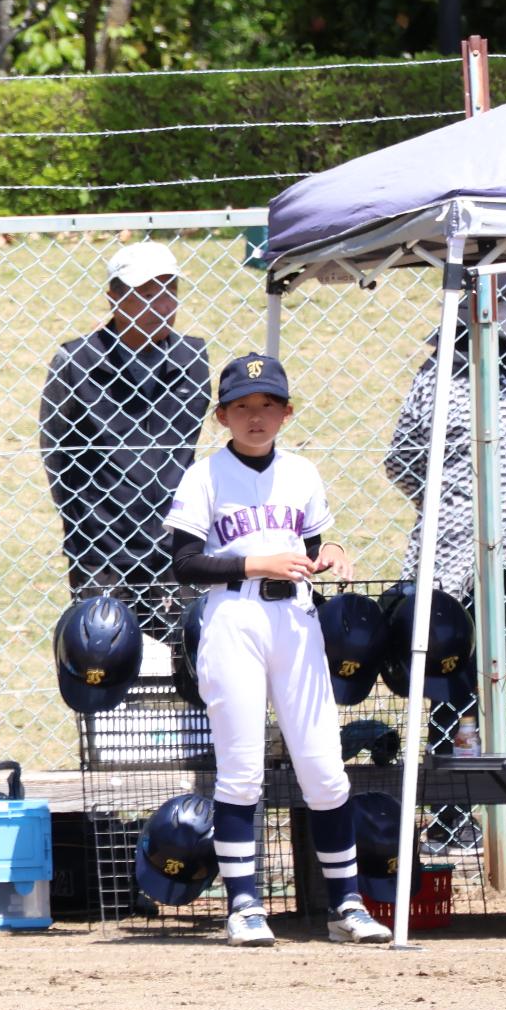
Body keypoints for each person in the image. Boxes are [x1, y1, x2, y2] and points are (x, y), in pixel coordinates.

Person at [163, 353, 390, 947]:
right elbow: (183, 563)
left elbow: (313, 540)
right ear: (222, 416)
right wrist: (254, 561)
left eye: (267, 406)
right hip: (234, 616)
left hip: (296, 618)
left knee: (323, 768)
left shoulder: (302, 473)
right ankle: (243, 904)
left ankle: (347, 903)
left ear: (287, 413)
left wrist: (333, 551)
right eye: (242, 407)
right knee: (240, 771)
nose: (255, 417)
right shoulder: (205, 476)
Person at [383, 271, 506, 766]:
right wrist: (448, 505)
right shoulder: (443, 371)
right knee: (454, 675)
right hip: (458, 555)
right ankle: (455, 813)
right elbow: (403, 459)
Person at [40, 241, 212, 639]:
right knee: (104, 656)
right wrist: (89, 521)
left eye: (170, 291)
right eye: (147, 294)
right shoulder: (76, 362)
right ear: (113, 299)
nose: (162, 305)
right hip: (101, 546)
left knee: (183, 660)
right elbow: (56, 455)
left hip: (176, 542)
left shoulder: (193, 359)